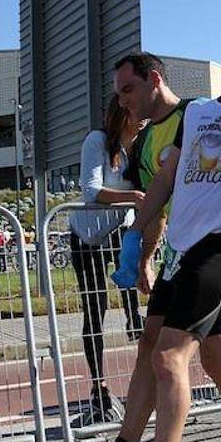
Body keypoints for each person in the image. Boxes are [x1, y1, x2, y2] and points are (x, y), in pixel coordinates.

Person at [61, 47, 221, 442]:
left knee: (177, 355)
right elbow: (167, 177)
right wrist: (136, 236)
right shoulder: (197, 114)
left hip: (220, 246)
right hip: (180, 250)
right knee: (188, 352)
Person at [66, 93, 146, 423]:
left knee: (139, 302)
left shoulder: (142, 147)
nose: (142, 118)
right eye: (135, 112)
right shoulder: (97, 141)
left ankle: (146, 380)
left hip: (122, 231)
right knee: (95, 309)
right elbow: (91, 190)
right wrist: (135, 197)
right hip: (88, 236)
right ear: (121, 113)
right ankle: (98, 386)